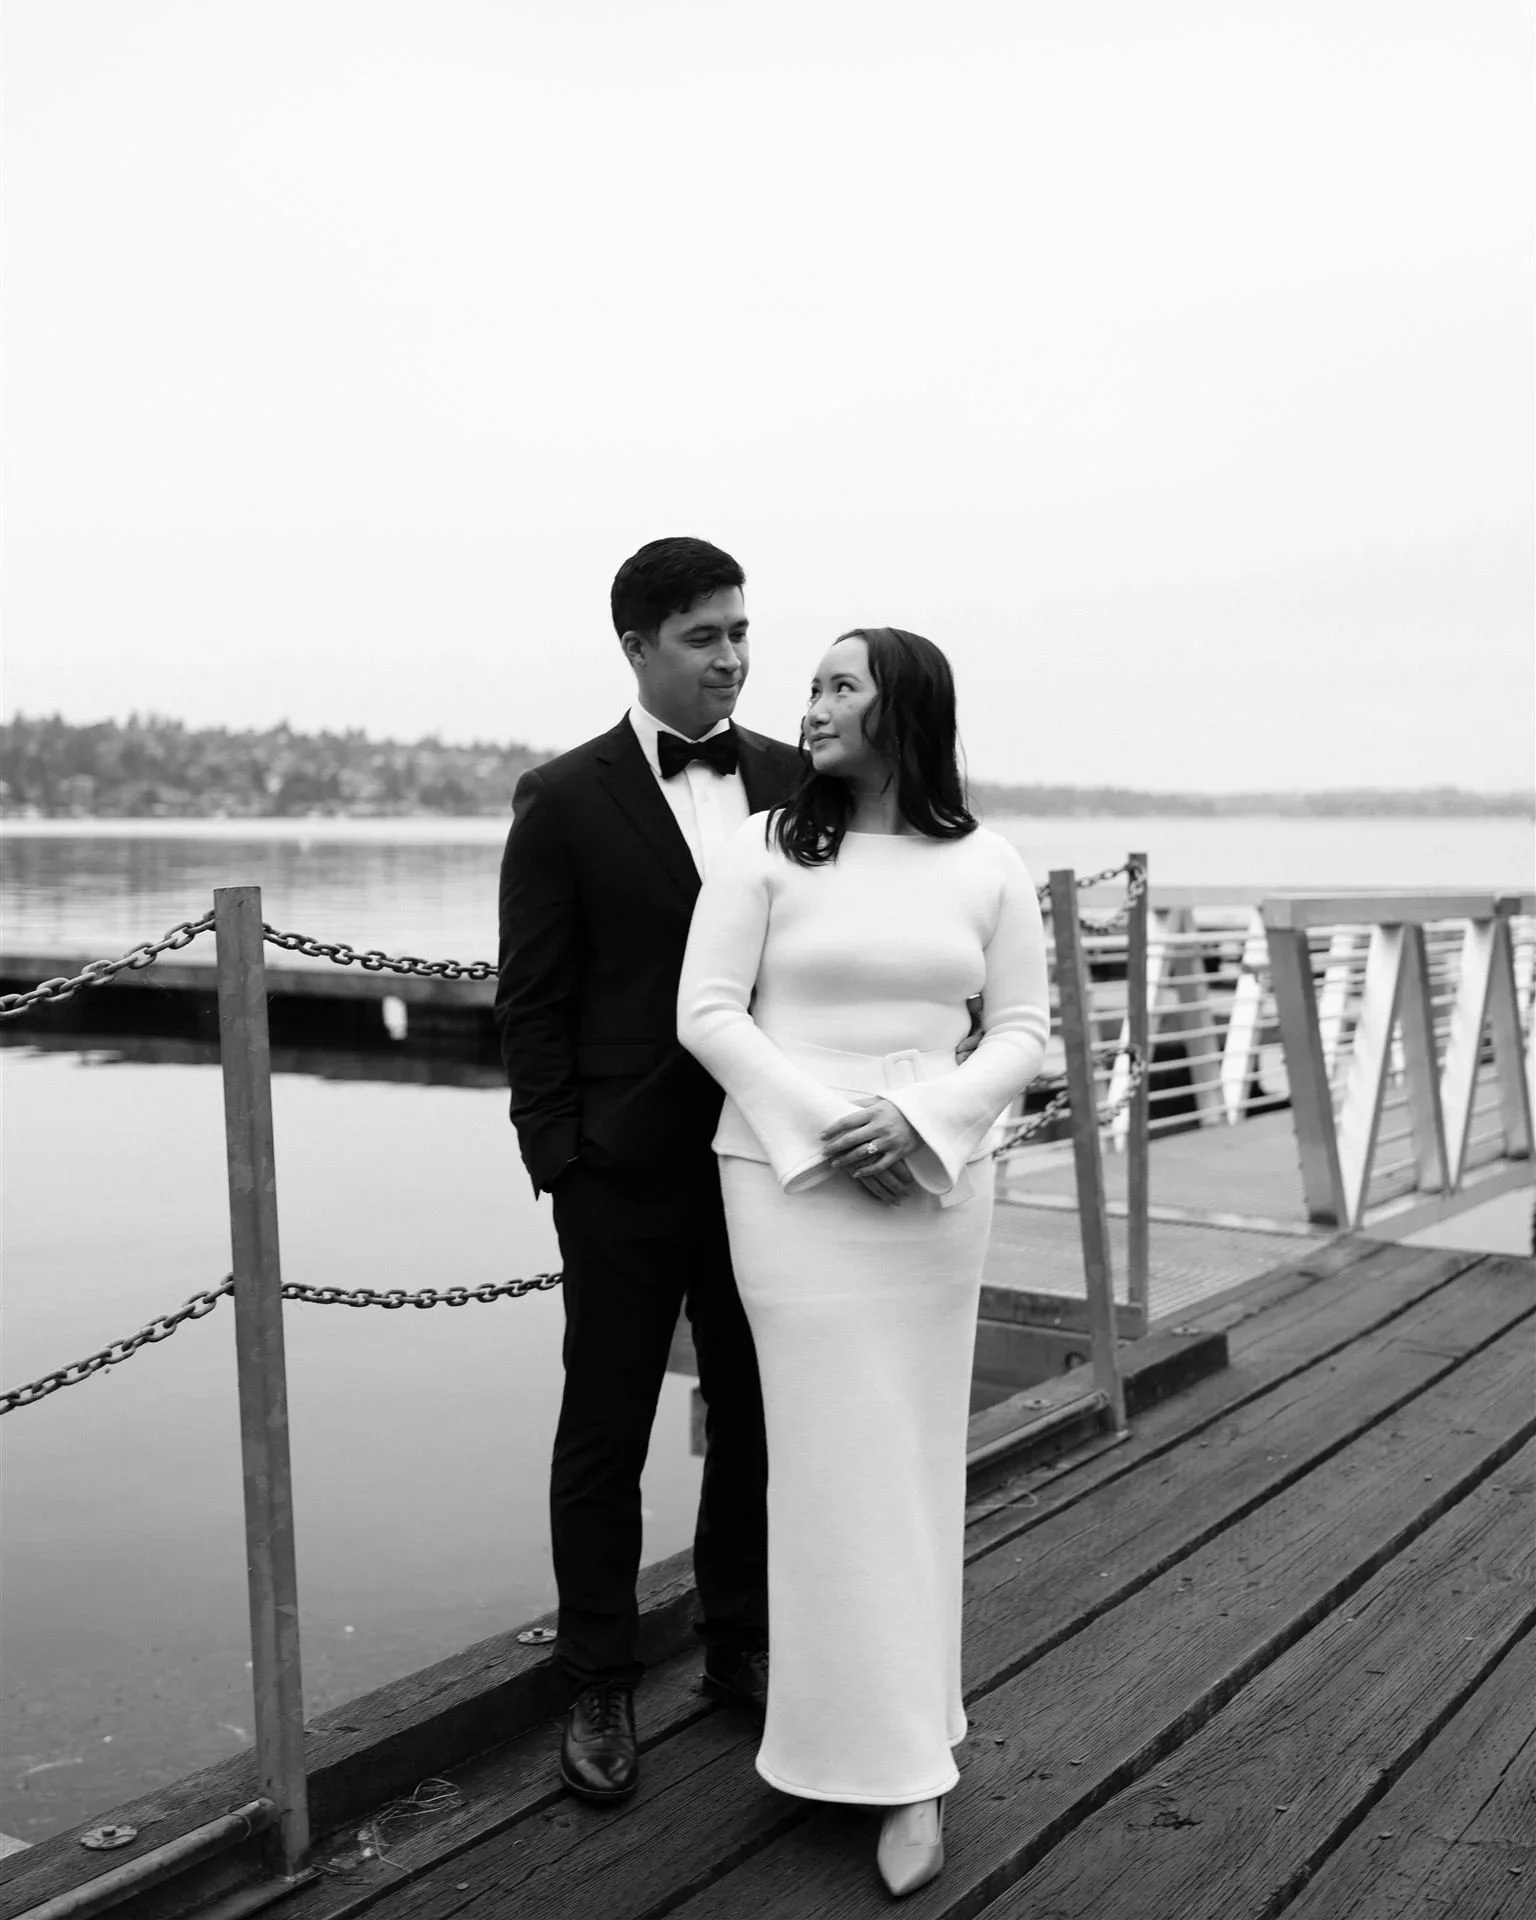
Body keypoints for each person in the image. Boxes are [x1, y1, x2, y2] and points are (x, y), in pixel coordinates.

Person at [677, 627, 1049, 1898]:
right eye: (816, 685)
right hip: (791, 1186)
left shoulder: (988, 861)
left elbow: (1019, 1032)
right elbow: (707, 1011)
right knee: (827, 1467)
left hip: (939, 1189)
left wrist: (931, 1121)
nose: (812, 704)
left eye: (841, 685)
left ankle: (910, 1764)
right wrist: (827, 1129)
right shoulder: (764, 846)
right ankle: (852, 1749)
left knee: (912, 1463)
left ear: (906, 709)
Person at [494, 537, 802, 1804]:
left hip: (765, 1161)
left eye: (739, 631)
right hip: (620, 1172)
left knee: (755, 1415)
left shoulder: (794, 779)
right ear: (636, 646)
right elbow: (535, 997)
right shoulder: (563, 798)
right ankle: (601, 1685)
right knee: (605, 1430)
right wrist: (559, 1157)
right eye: (702, 637)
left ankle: (740, 1646)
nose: (730, 657)